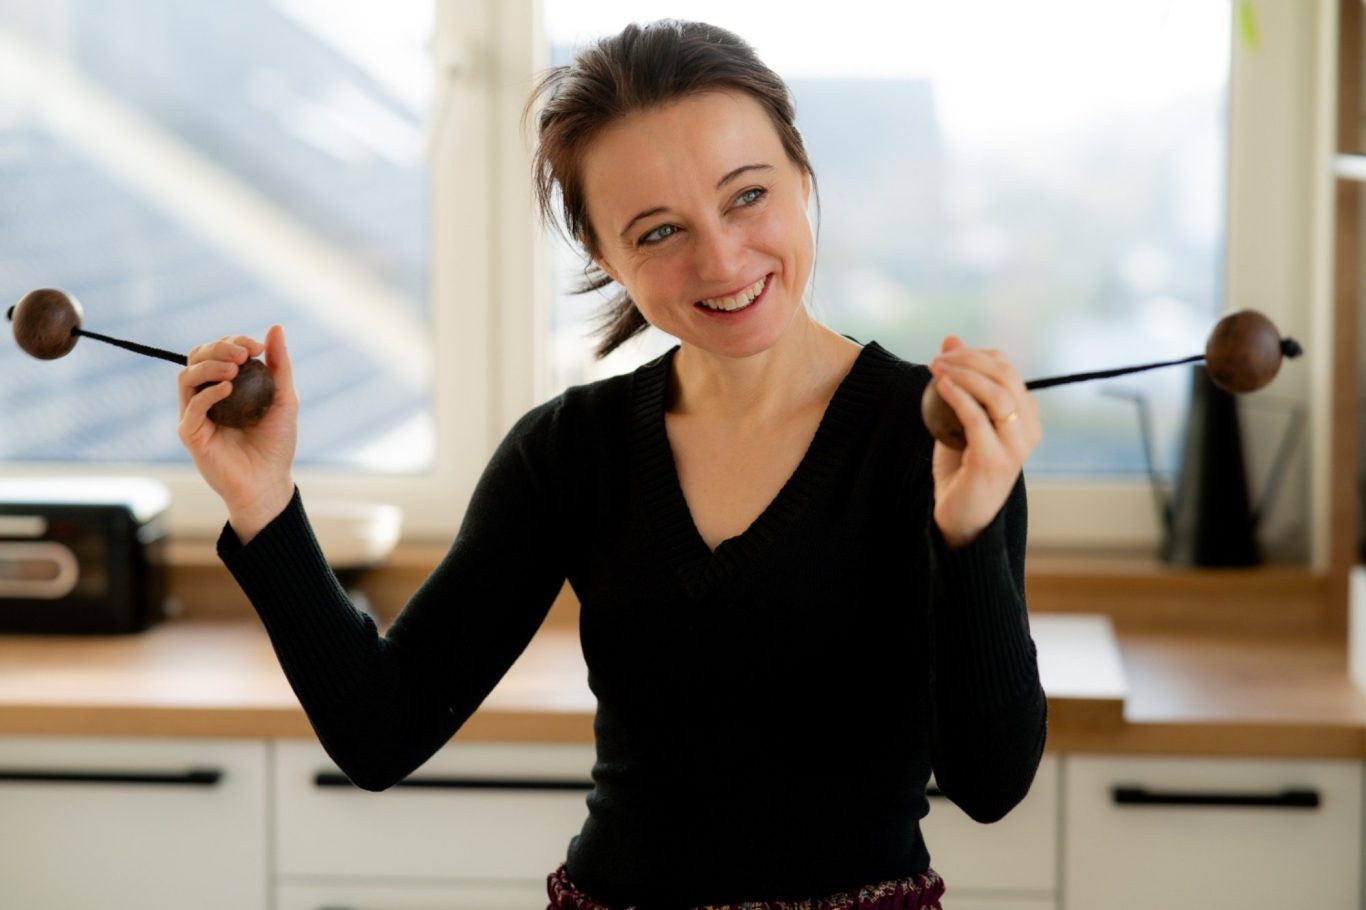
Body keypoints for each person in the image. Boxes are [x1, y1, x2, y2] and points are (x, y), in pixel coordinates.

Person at [177, 18, 1046, 910]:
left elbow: (991, 785)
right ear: (605, 256)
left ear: (802, 177)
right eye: (660, 231)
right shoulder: (567, 452)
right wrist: (263, 501)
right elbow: (379, 731)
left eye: (747, 196)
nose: (721, 257)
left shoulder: (939, 443)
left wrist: (968, 530)